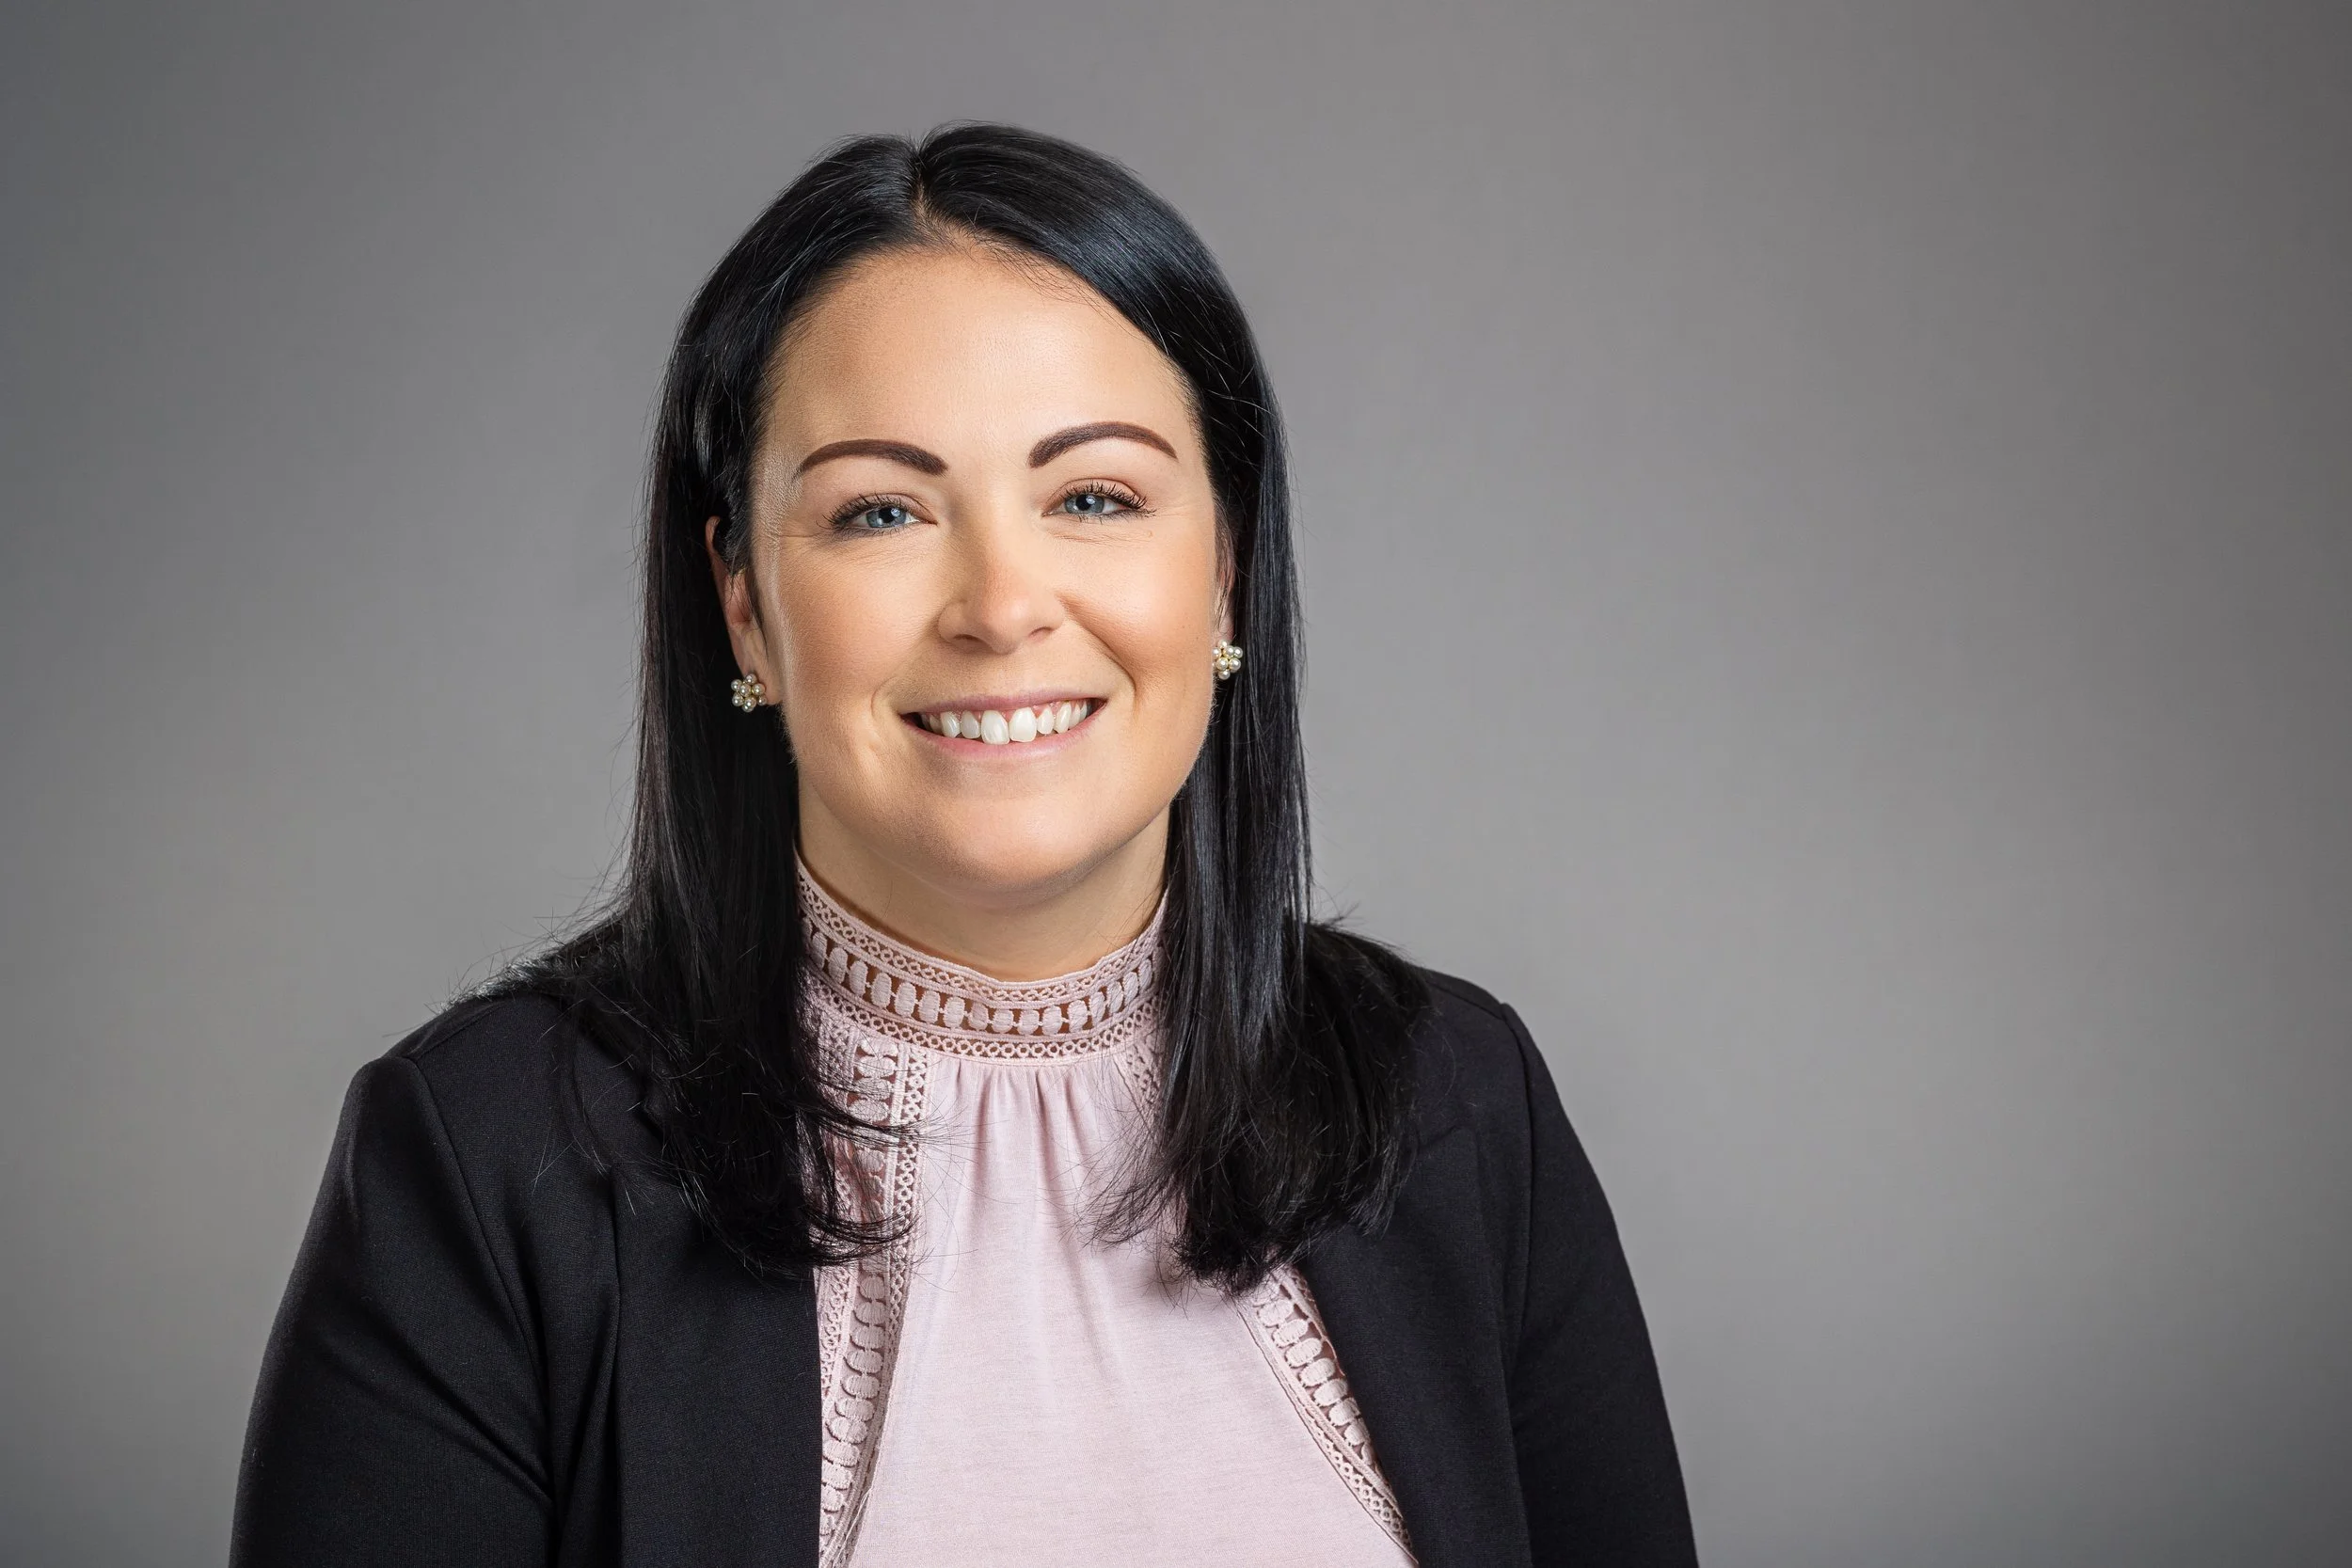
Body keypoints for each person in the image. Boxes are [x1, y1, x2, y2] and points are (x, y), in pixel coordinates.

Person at [229, 122, 1698, 1568]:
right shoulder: (483, 1160)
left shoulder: (1460, 1105)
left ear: (1228, 567)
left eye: (1095, 497)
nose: (1001, 604)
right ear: (742, 602)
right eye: (881, 509)